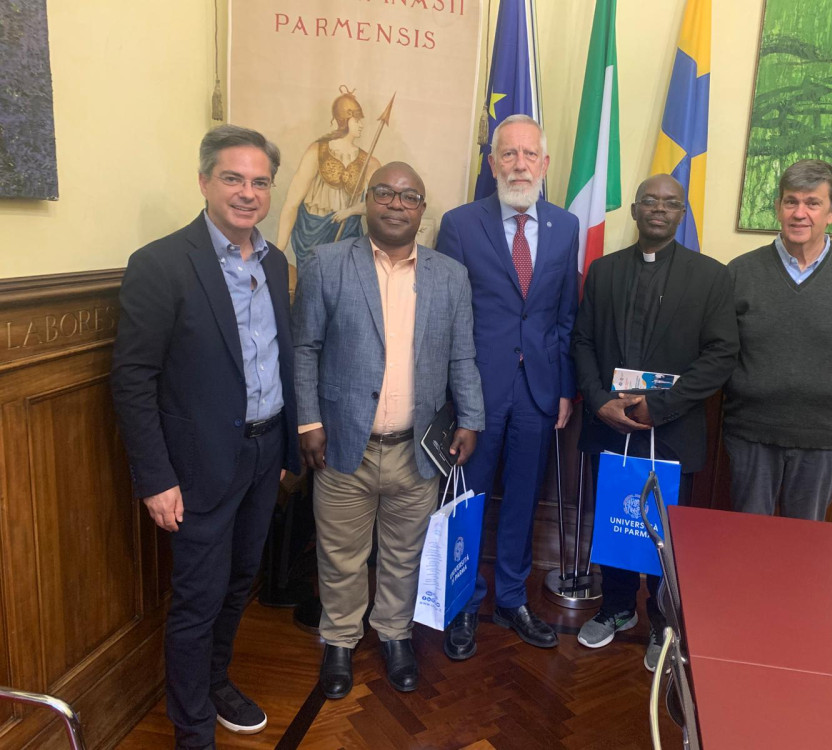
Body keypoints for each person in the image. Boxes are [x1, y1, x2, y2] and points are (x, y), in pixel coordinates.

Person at [111, 125, 299, 749]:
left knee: (241, 582)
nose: (247, 193)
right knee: (197, 599)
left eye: (260, 182)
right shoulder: (161, 264)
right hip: (196, 467)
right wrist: (155, 478)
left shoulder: (275, 264)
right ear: (203, 182)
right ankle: (192, 732)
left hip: (263, 454)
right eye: (233, 178)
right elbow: (133, 380)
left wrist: (281, 451)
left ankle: (216, 684)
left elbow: (278, 360)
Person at [293, 162, 485, 699]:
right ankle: (339, 639)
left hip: (416, 449)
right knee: (341, 554)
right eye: (385, 193)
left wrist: (471, 418)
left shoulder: (450, 275)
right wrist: (308, 420)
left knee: (405, 554)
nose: (397, 204)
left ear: (422, 210)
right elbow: (304, 348)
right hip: (341, 446)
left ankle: (395, 633)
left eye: (409, 196)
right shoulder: (326, 263)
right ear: (368, 200)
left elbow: (462, 357)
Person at [572, 174, 739, 670]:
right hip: (610, 423)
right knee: (615, 518)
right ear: (635, 210)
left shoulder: (711, 277)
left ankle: (663, 623)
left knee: (666, 532)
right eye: (650, 201)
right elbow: (582, 342)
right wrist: (599, 401)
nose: (659, 209)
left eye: (670, 203)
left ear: (682, 213)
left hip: (673, 427)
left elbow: (721, 354)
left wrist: (660, 406)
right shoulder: (603, 271)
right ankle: (617, 607)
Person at [436, 114, 578, 660]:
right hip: (477, 390)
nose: (520, 164)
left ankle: (512, 599)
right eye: (509, 154)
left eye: (529, 154)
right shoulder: (459, 224)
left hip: (539, 391)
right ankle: (463, 603)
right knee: (468, 500)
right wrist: (456, 393)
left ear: (545, 164)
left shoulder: (565, 226)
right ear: (493, 163)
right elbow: (448, 317)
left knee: (522, 498)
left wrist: (563, 387)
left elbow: (564, 316)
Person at [724, 159, 832, 521]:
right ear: (778, 207)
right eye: (791, 201)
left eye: (812, 203)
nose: (799, 213)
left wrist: (827, 386)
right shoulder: (740, 272)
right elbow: (720, 350)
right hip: (752, 432)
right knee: (746, 536)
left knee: (806, 539)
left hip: (825, 437)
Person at [276, 86, 381, 264]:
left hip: (348, 235)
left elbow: (379, 205)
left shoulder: (369, 161)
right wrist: (278, 252)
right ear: (344, 120)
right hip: (313, 234)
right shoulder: (317, 152)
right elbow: (292, 203)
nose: (361, 125)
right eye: (356, 120)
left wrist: (351, 211)